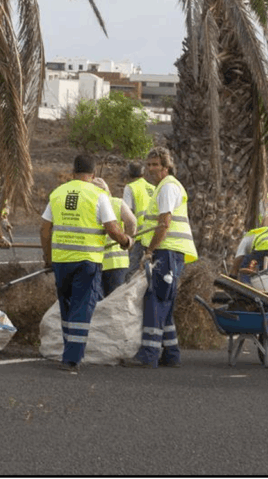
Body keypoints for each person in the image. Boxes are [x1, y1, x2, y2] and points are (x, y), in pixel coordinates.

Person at [40, 155, 133, 373]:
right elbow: (112, 228)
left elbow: (44, 230)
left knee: (67, 304)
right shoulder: (98, 195)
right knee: (82, 307)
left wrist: (48, 258)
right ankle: (72, 358)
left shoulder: (57, 193)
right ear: (92, 176)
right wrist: (126, 241)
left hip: (62, 261)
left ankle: (67, 350)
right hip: (87, 262)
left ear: (72, 173)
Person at [126, 146, 197, 369]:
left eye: (156, 165)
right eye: (148, 165)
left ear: (166, 167)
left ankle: (149, 354)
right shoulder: (163, 187)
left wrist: (149, 251)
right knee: (165, 301)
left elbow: (164, 224)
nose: (151, 169)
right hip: (169, 251)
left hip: (167, 251)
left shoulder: (167, 188)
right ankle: (171, 353)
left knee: (156, 300)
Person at [91, 177, 136, 298]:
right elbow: (132, 222)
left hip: (93, 261)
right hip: (117, 262)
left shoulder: (88, 203)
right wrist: (128, 240)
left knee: (96, 302)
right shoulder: (117, 202)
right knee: (115, 303)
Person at [121, 161, 155, 283]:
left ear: (129, 174)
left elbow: (127, 215)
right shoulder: (153, 188)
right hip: (155, 237)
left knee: (132, 273)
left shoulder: (130, 188)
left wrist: (128, 239)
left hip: (140, 237)